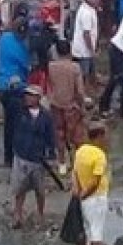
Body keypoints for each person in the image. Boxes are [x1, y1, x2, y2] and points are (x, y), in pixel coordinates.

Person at [10, 86, 56, 229]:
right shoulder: (19, 111)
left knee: (39, 189)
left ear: (39, 98)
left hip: (38, 158)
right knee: (19, 188)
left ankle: (40, 214)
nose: (28, 98)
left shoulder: (46, 116)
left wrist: (51, 154)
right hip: (21, 155)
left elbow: (50, 136)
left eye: (32, 95)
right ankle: (17, 215)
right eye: (27, 95)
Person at [72, 123, 110, 245]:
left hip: (81, 195)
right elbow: (95, 181)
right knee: (96, 233)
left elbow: (74, 173)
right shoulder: (99, 156)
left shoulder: (81, 151)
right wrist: (86, 194)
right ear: (99, 137)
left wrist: (78, 193)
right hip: (96, 197)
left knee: (84, 230)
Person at [0, 18, 31, 167]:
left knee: (9, 123)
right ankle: (14, 156)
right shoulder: (22, 47)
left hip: (1, 85)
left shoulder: (4, 38)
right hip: (16, 88)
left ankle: (8, 156)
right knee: (16, 124)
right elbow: (26, 66)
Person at [47, 39, 88, 173]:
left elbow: (49, 86)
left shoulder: (51, 66)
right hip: (72, 106)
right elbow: (80, 90)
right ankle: (77, 163)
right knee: (77, 137)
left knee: (59, 135)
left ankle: (62, 164)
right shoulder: (75, 67)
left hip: (56, 104)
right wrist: (82, 106)